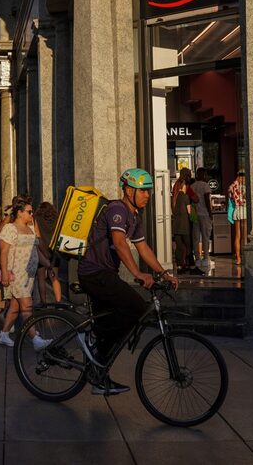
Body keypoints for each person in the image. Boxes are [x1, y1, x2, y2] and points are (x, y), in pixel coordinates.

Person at [78, 168, 179, 395]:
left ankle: (98, 377)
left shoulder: (134, 216)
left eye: (148, 191)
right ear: (128, 190)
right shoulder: (117, 209)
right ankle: (92, 336)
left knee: (121, 318)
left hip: (106, 275)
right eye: (142, 191)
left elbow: (142, 248)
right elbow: (120, 242)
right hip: (94, 273)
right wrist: (138, 274)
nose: (147, 195)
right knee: (136, 307)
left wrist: (163, 273)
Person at [0, 196, 50, 349]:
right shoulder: (9, 229)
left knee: (15, 306)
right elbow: (4, 252)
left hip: (29, 274)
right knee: (27, 306)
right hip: (16, 273)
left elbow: (36, 250)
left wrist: (47, 265)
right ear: (19, 213)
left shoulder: (31, 227)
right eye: (29, 211)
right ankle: (35, 339)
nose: (31, 214)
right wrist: (5, 273)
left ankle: (4, 334)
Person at [33, 201, 62, 303]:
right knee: (54, 277)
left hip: (41, 250)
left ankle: (43, 302)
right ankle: (58, 301)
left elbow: (37, 235)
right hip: (54, 251)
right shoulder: (57, 219)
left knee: (41, 278)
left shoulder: (37, 219)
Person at [190, 167, 213, 272]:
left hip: (195, 215)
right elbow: (207, 200)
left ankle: (197, 258)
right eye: (206, 175)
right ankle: (206, 258)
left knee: (195, 237)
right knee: (205, 236)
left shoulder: (192, 186)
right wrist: (210, 213)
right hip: (204, 214)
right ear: (203, 175)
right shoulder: (205, 186)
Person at [171, 176, 193, 274]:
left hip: (176, 225)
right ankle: (188, 264)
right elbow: (189, 212)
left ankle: (179, 265)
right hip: (184, 225)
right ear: (183, 186)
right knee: (188, 245)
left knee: (179, 246)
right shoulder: (185, 196)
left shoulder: (174, 198)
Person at [228, 171, 248, 265]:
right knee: (244, 236)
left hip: (236, 211)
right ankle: (245, 257)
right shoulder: (246, 186)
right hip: (244, 210)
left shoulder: (232, 186)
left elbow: (231, 198)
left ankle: (238, 258)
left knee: (237, 236)